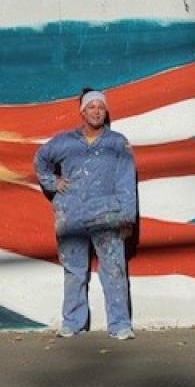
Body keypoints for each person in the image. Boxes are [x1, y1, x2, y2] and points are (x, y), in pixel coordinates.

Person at [33, 88, 138, 340]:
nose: (96, 111)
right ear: (82, 111)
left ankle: (120, 324)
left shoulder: (117, 143)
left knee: (114, 270)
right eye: (91, 107)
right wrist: (52, 182)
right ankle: (73, 322)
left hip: (107, 215)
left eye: (100, 107)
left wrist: (128, 217)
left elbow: (126, 181)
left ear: (106, 111)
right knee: (74, 271)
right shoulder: (64, 141)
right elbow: (41, 159)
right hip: (71, 216)